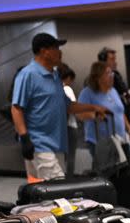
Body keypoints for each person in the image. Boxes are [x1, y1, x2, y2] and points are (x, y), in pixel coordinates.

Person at [12, 33, 107, 180]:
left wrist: (94, 107)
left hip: (56, 144)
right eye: (56, 48)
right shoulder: (28, 75)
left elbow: (68, 106)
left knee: (47, 192)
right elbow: (17, 108)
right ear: (44, 51)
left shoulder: (55, 76)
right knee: (59, 188)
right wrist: (25, 139)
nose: (60, 52)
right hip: (38, 144)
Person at [78, 61, 130, 212]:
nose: (111, 76)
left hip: (120, 140)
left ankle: (127, 207)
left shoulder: (113, 91)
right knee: (108, 175)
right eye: (108, 73)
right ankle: (111, 207)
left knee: (125, 176)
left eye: (111, 73)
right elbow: (79, 114)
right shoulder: (88, 92)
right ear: (98, 76)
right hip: (101, 143)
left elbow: (120, 112)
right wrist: (94, 115)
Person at [98, 47, 130, 123]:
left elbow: (124, 90)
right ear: (103, 61)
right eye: (112, 59)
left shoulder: (116, 74)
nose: (115, 62)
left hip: (125, 113)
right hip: (110, 117)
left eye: (115, 59)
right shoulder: (99, 79)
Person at [58, 63, 80, 176]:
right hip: (70, 127)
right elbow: (73, 108)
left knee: (61, 158)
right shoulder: (67, 89)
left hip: (60, 128)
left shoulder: (57, 89)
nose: (72, 82)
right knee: (71, 157)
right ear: (68, 78)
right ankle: (69, 180)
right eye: (72, 80)